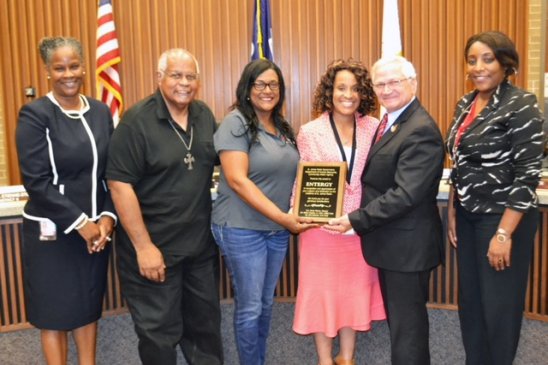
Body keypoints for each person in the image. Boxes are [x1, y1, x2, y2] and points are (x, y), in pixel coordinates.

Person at [106, 49, 223, 365]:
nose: (184, 83)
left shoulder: (203, 115)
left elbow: (226, 157)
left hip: (198, 251)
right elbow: (119, 185)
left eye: (190, 76)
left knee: (206, 331)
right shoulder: (135, 122)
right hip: (153, 252)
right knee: (159, 337)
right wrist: (144, 247)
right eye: (176, 75)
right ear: (159, 78)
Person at [327, 56, 445, 365]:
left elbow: (404, 194)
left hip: (407, 249)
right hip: (395, 246)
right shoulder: (393, 121)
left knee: (408, 333)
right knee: (403, 328)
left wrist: (356, 219)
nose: (386, 89)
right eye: (380, 84)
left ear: (413, 84)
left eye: (394, 82)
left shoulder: (420, 129)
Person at [15, 37, 116, 365]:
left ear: (84, 67)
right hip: (52, 235)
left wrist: (105, 218)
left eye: (74, 66)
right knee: (54, 312)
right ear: (48, 72)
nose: (68, 74)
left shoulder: (101, 112)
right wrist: (81, 223)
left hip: (95, 233)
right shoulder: (35, 114)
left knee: (87, 306)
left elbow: (111, 173)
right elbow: (37, 183)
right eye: (59, 68)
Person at [446, 31, 544, 365]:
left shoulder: (522, 104)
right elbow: (459, 163)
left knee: (498, 309)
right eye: (472, 60)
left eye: (487, 58)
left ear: (505, 62)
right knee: (471, 305)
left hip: (504, 220)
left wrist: (503, 234)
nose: (478, 67)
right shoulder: (465, 103)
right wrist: (454, 211)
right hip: (470, 216)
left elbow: (527, 174)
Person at [211, 58, 315, 365]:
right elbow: (237, 180)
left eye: (274, 85)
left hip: (276, 230)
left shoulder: (282, 126)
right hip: (242, 228)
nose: (267, 90)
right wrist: (284, 218)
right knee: (250, 307)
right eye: (260, 84)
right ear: (247, 88)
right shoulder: (236, 122)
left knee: (265, 305)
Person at [292, 59, 386, 365]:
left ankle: (347, 357)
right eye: (341, 88)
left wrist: (356, 220)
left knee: (352, 296)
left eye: (355, 88)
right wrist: (298, 212)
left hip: (359, 228)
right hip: (321, 231)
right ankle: (323, 360)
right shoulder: (310, 131)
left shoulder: (375, 128)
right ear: (330, 92)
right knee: (323, 297)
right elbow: (305, 180)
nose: (348, 95)